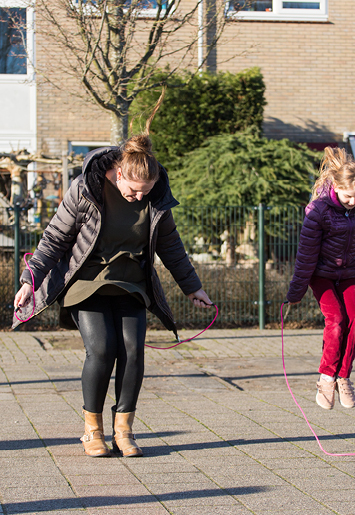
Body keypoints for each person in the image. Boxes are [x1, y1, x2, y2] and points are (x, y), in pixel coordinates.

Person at [12, 126, 212, 458]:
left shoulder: (156, 197)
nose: (139, 198)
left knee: (133, 352)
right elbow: (54, 239)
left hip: (131, 283)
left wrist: (194, 288)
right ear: (118, 173)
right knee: (103, 350)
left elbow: (171, 247)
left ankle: (124, 431)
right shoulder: (86, 189)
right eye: (134, 191)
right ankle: (92, 431)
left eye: (145, 192)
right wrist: (29, 280)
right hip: (86, 282)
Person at [286, 147, 355, 410]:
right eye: (349, 196)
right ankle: (326, 377)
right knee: (337, 320)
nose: (354, 201)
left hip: (348, 274)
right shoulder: (318, 210)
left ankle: (344, 377)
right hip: (321, 275)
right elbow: (306, 256)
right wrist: (295, 293)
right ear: (337, 186)